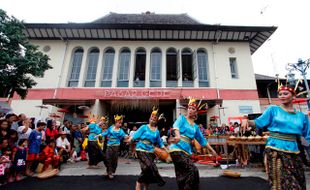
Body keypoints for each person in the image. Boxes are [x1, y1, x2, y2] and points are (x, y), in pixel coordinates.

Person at [247, 84, 310, 190]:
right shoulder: (273, 110)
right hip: (275, 150)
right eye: (280, 94)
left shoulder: (301, 117)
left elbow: (308, 136)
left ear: (293, 96)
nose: (282, 96)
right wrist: (246, 120)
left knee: (298, 180)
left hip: (295, 152)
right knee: (280, 182)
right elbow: (258, 122)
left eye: (285, 93)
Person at [169, 98, 217, 190]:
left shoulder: (195, 127)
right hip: (176, 150)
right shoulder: (182, 118)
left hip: (186, 152)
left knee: (182, 175)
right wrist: (178, 136)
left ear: (196, 113)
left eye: (193, 109)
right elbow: (176, 126)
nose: (190, 110)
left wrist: (213, 151)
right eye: (189, 108)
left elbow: (202, 141)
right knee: (193, 170)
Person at [127, 107, 166, 190]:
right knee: (149, 166)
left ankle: (146, 187)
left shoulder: (157, 131)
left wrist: (164, 148)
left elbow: (159, 142)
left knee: (147, 170)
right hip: (141, 149)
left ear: (156, 121)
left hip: (151, 151)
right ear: (149, 118)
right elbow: (135, 135)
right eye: (152, 117)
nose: (153, 119)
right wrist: (130, 139)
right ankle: (139, 182)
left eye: (155, 118)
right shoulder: (144, 127)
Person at [98, 114, 128, 179]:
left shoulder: (121, 130)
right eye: (119, 123)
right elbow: (106, 132)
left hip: (116, 146)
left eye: (121, 123)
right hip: (109, 146)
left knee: (114, 160)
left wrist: (127, 137)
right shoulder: (111, 128)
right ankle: (109, 172)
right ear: (116, 122)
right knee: (108, 158)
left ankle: (111, 171)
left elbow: (124, 135)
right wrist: (100, 134)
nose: (120, 124)